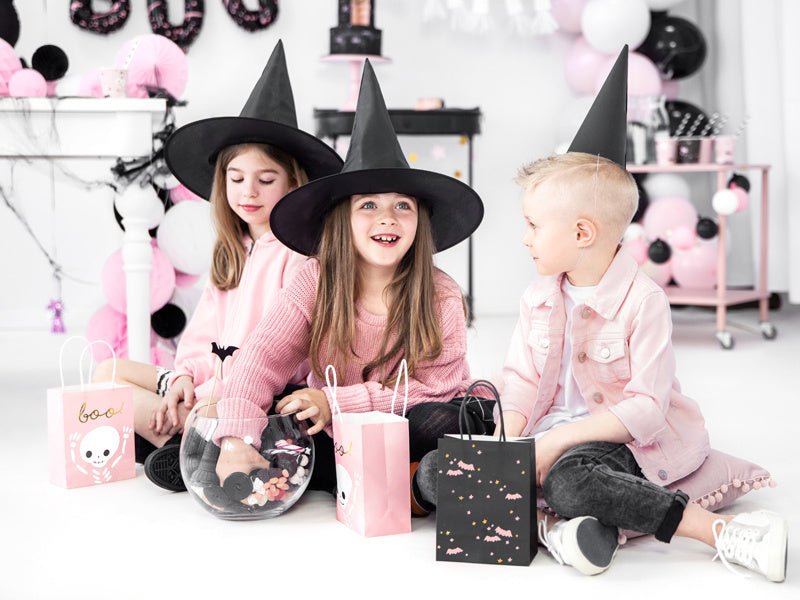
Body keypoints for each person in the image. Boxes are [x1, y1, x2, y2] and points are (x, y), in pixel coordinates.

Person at [414, 47, 787, 582]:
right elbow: (520, 381)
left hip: (614, 443)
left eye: (533, 225)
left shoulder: (643, 301)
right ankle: (558, 532)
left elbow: (645, 410)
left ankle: (717, 531)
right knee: (434, 472)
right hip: (543, 433)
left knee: (569, 482)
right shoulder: (537, 297)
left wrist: (555, 445)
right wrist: (506, 446)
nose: (524, 238)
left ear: (582, 233)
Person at [167, 60, 487, 502]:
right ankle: (263, 462)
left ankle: (411, 482)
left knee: (440, 422)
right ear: (343, 221)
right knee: (288, 414)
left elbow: (435, 387)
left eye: (403, 206)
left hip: (405, 415)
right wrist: (239, 435)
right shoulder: (316, 279)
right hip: (336, 422)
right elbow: (262, 355)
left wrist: (338, 402)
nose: (387, 218)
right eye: (368, 206)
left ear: (421, 222)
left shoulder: (441, 294)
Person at [92, 40, 343, 491]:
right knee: (107, 374)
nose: (249, 192)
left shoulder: (300, 255)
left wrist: (206, 396)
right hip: (209, 386)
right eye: (236, 178)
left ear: (293, 184)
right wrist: (183, 378)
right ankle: (180, 442)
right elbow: (202, 334)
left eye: (266, 180)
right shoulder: (233, 250)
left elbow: (275, 355)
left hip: (255, 395)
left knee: (188, 408)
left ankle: (187, 445)